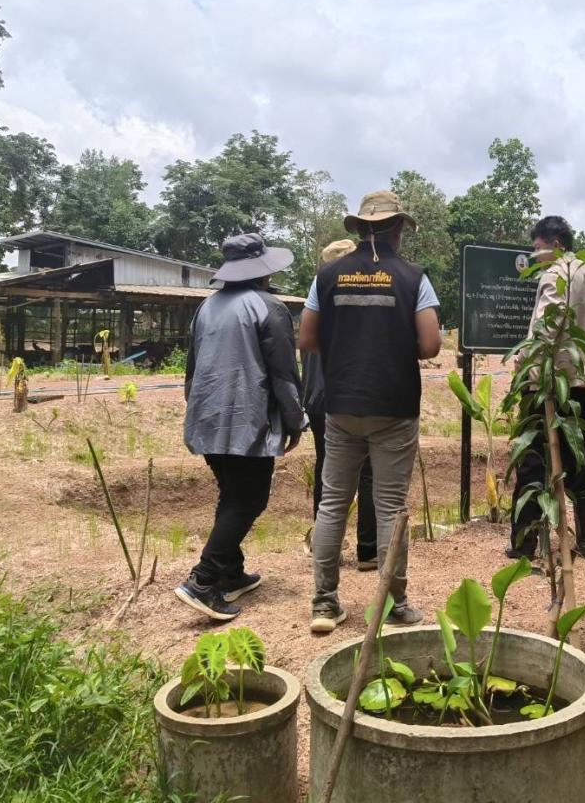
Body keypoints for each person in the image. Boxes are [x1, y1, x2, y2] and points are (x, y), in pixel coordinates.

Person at [298, 190, 442, 633]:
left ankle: (324, 603)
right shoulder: (414, 277)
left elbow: (305, 339)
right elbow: (432, 344)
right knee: (390, 505)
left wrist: (344, 353)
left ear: (360, 228)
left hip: (341, 406)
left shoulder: (328, 275)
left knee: (333, 503)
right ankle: (393, 605)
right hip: (394, 406)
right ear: (397, 228)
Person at [175, 233, 304, 621]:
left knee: (232, 493)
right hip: (246, 418)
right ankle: (203, 579)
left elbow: (192, 369)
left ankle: (231, 573)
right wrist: (296, 420)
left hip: (206, 416)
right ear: (262, 271)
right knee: (250, 499)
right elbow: (283, 374)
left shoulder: (206, 307)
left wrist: (196, 408)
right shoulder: (269, 308)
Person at [508, 215, 585, 559]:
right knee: (578, 454)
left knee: (532, 458)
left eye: (537, 248)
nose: (534, 256)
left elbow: (545, 327)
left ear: (556, 244)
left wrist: (525, 364)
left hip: (551, 381)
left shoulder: (558, 273)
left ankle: (524, 544)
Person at [301, 238, 377, 571]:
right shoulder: (355, 298)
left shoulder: (315, 298)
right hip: (350, 396)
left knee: (327, 472)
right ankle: (369, 549)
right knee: (369, 472)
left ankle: (324, 549)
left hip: (317, 399)